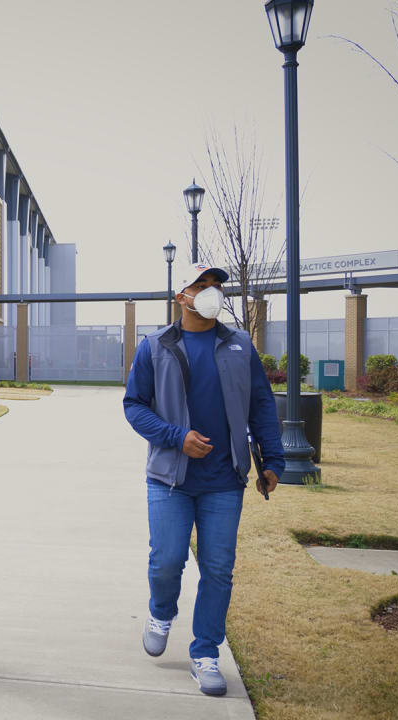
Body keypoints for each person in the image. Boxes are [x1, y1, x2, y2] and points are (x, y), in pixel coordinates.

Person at [122, 261, 284, 696]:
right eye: (201, 285)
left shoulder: (238, 346)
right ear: (181, 296)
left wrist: (272, 459)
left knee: (217, 568)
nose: (212, 291)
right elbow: (134, 405)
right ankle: (161, 610)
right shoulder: (155, 346)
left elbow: (261, 405)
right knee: (168, 560)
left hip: (224, 479)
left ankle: (205, 654)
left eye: (215, 285)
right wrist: (176, 437)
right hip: (170, 479)